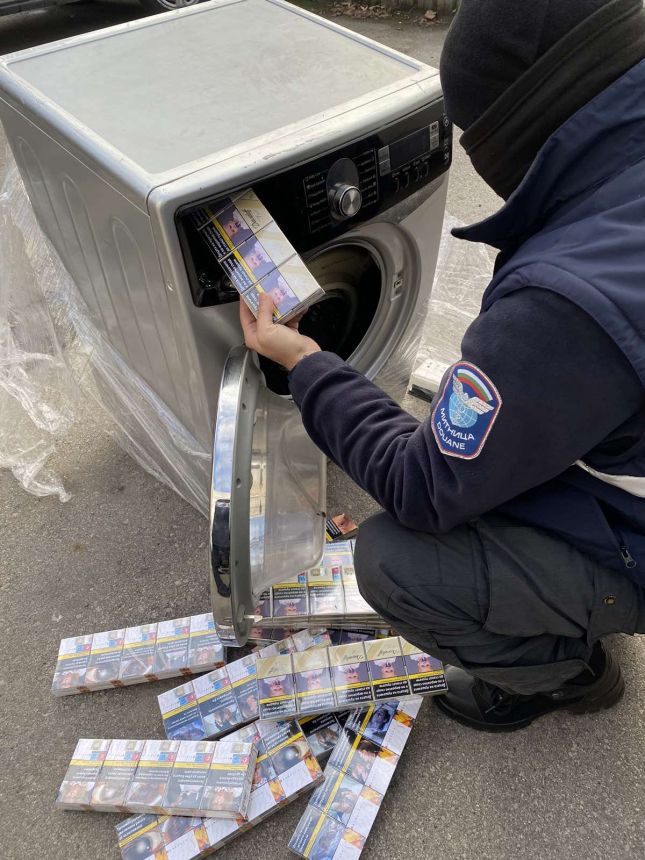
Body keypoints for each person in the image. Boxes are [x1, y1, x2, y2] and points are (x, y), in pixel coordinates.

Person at [240, 0, 645, 731]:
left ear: (515, 125)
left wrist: (307, 362)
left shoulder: (564, 302)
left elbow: (422, 485)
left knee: (396, 560)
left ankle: (565, 674)